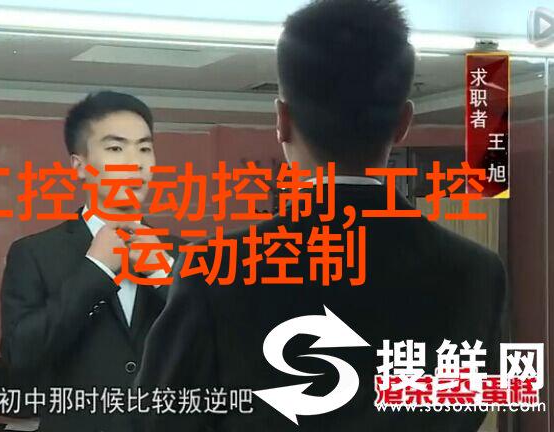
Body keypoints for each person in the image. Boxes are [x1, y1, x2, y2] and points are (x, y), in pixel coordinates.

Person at [134, 1, 508, 431]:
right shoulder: (478, 274)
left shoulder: (214, 268)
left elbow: (158, 422)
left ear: (282, 120)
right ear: (403, 122)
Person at [0, 91, 184, 432]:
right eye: (115, 148)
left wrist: (163, 275)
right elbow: (20, 358)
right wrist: (95, 271)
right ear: (80, 165)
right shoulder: (35, 253)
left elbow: (224, 349)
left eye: (144, 148)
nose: (135, 162)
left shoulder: (184, 255)